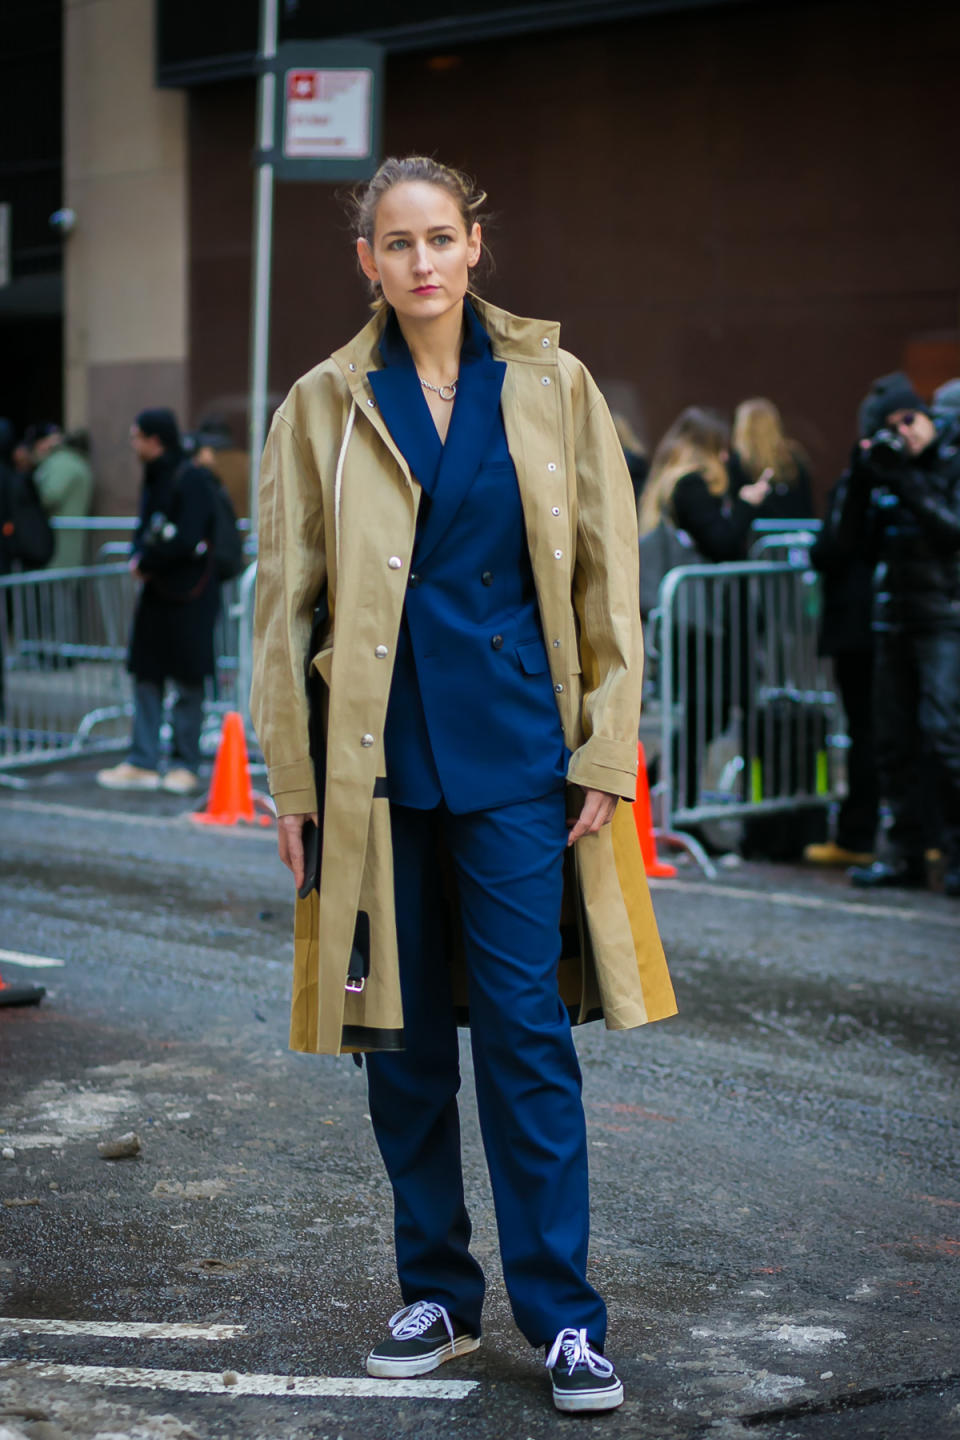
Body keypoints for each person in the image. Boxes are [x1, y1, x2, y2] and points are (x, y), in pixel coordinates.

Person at [251, 156, 676, 1415]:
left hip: (516, 762)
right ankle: (434, 1290)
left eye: (443, 237)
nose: (423, 262)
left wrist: (604, 747)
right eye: (398, 243)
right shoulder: (325, 401)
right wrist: (291, 780)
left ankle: (564, 1317)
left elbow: (610, 580)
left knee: (528, 1041)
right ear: (367, 261)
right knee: (400, 1047)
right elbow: (284, 607)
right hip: (372, 764)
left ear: (476, 246)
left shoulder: (554, 383)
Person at [834, 372, 960, 896]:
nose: (903, 433)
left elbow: (952, 530)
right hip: (892, 619)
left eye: (909, 420)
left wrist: (904, 481)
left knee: (946, 736)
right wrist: (862, 482)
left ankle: (954, 855)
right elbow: (848, 549)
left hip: (944, 619)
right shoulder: (883, 470)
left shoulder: (951, 460)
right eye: (890, 428)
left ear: (927, 415)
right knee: (894, 741)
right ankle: (905, 854)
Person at [97, 408, 219, 795]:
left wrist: (146, 562)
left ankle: (185, 763)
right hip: (158, 595)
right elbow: (145, 528)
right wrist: (141, 558)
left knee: (187, 680)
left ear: (154, 439)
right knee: (147, 675)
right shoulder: (156, 476)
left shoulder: (192, 478)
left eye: (136, 437)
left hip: (190, 597)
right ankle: (143, 759)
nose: (132, 444)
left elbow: (187, 538)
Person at [804, 474, 878, 866]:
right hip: (881, 626)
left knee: (869, 732)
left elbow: (830, 548)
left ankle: (860, 836)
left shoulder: (858, 484)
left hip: (865, 628)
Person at [638, 406, 771, 560]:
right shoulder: (691, 485)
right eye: (719, 449)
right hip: (690, 577)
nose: (725, 457)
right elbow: (720, 543)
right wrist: (746, 504)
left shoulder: (671, 478)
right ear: (705, 450)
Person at [731, 398, 815, 523]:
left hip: (755, 537)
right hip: (796, 533)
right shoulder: (794, 457)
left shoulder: (738, 462)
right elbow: (806, 504)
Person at [24, 422, 94, 568]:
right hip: (63, 542)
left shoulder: (61, 463)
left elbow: (48, 497)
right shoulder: (72, 461)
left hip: (55, 544)